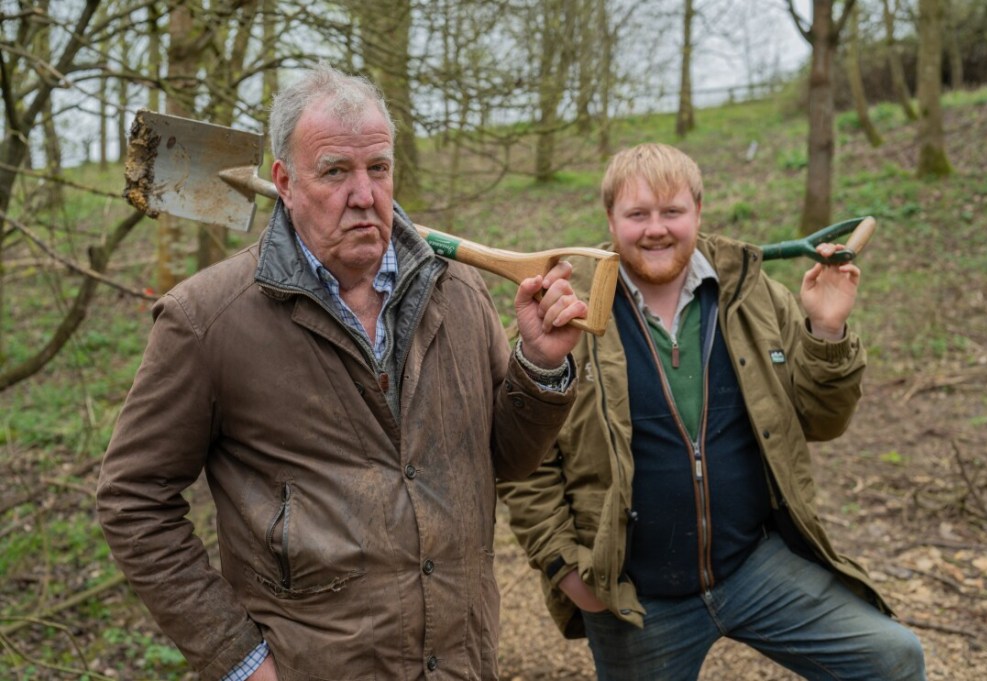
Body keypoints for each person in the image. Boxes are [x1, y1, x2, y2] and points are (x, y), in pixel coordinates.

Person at [96, 63, 588, 681]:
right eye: (335, 171)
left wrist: (539, 366)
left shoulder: (457, 293)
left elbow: (503, 461)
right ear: (284, 181)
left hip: (460, 663)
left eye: (377, 168)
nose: (365, 194)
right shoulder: (207, 321)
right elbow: (132, 500)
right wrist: (240, 660)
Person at [497, 143, 927, 680]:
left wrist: (826, 330)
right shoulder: (566, 316)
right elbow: (522, 462)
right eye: (637, 214)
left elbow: (824, 421)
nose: (656, 229)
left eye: (672, 212)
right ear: (610, 220)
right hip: (634, 596)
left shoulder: (754, 297)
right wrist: (565, 568)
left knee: (892, 660)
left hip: (753, 565)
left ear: (698, 212)